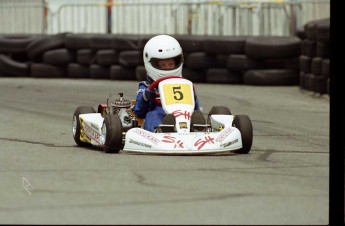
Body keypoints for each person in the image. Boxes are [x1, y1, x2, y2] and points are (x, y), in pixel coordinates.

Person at [134, 34, 202, 132]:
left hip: (184, 116)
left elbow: (196, 109)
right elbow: (139, 112)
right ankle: (161, 130)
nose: (167, 68)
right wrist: (146, 97)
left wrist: (193, 98)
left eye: (171, 64)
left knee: (195, 115)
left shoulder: (185, 85)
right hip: (159, 115)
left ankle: (199, 129)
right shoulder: (146, 86)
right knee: (154, 114)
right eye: (163, 65)